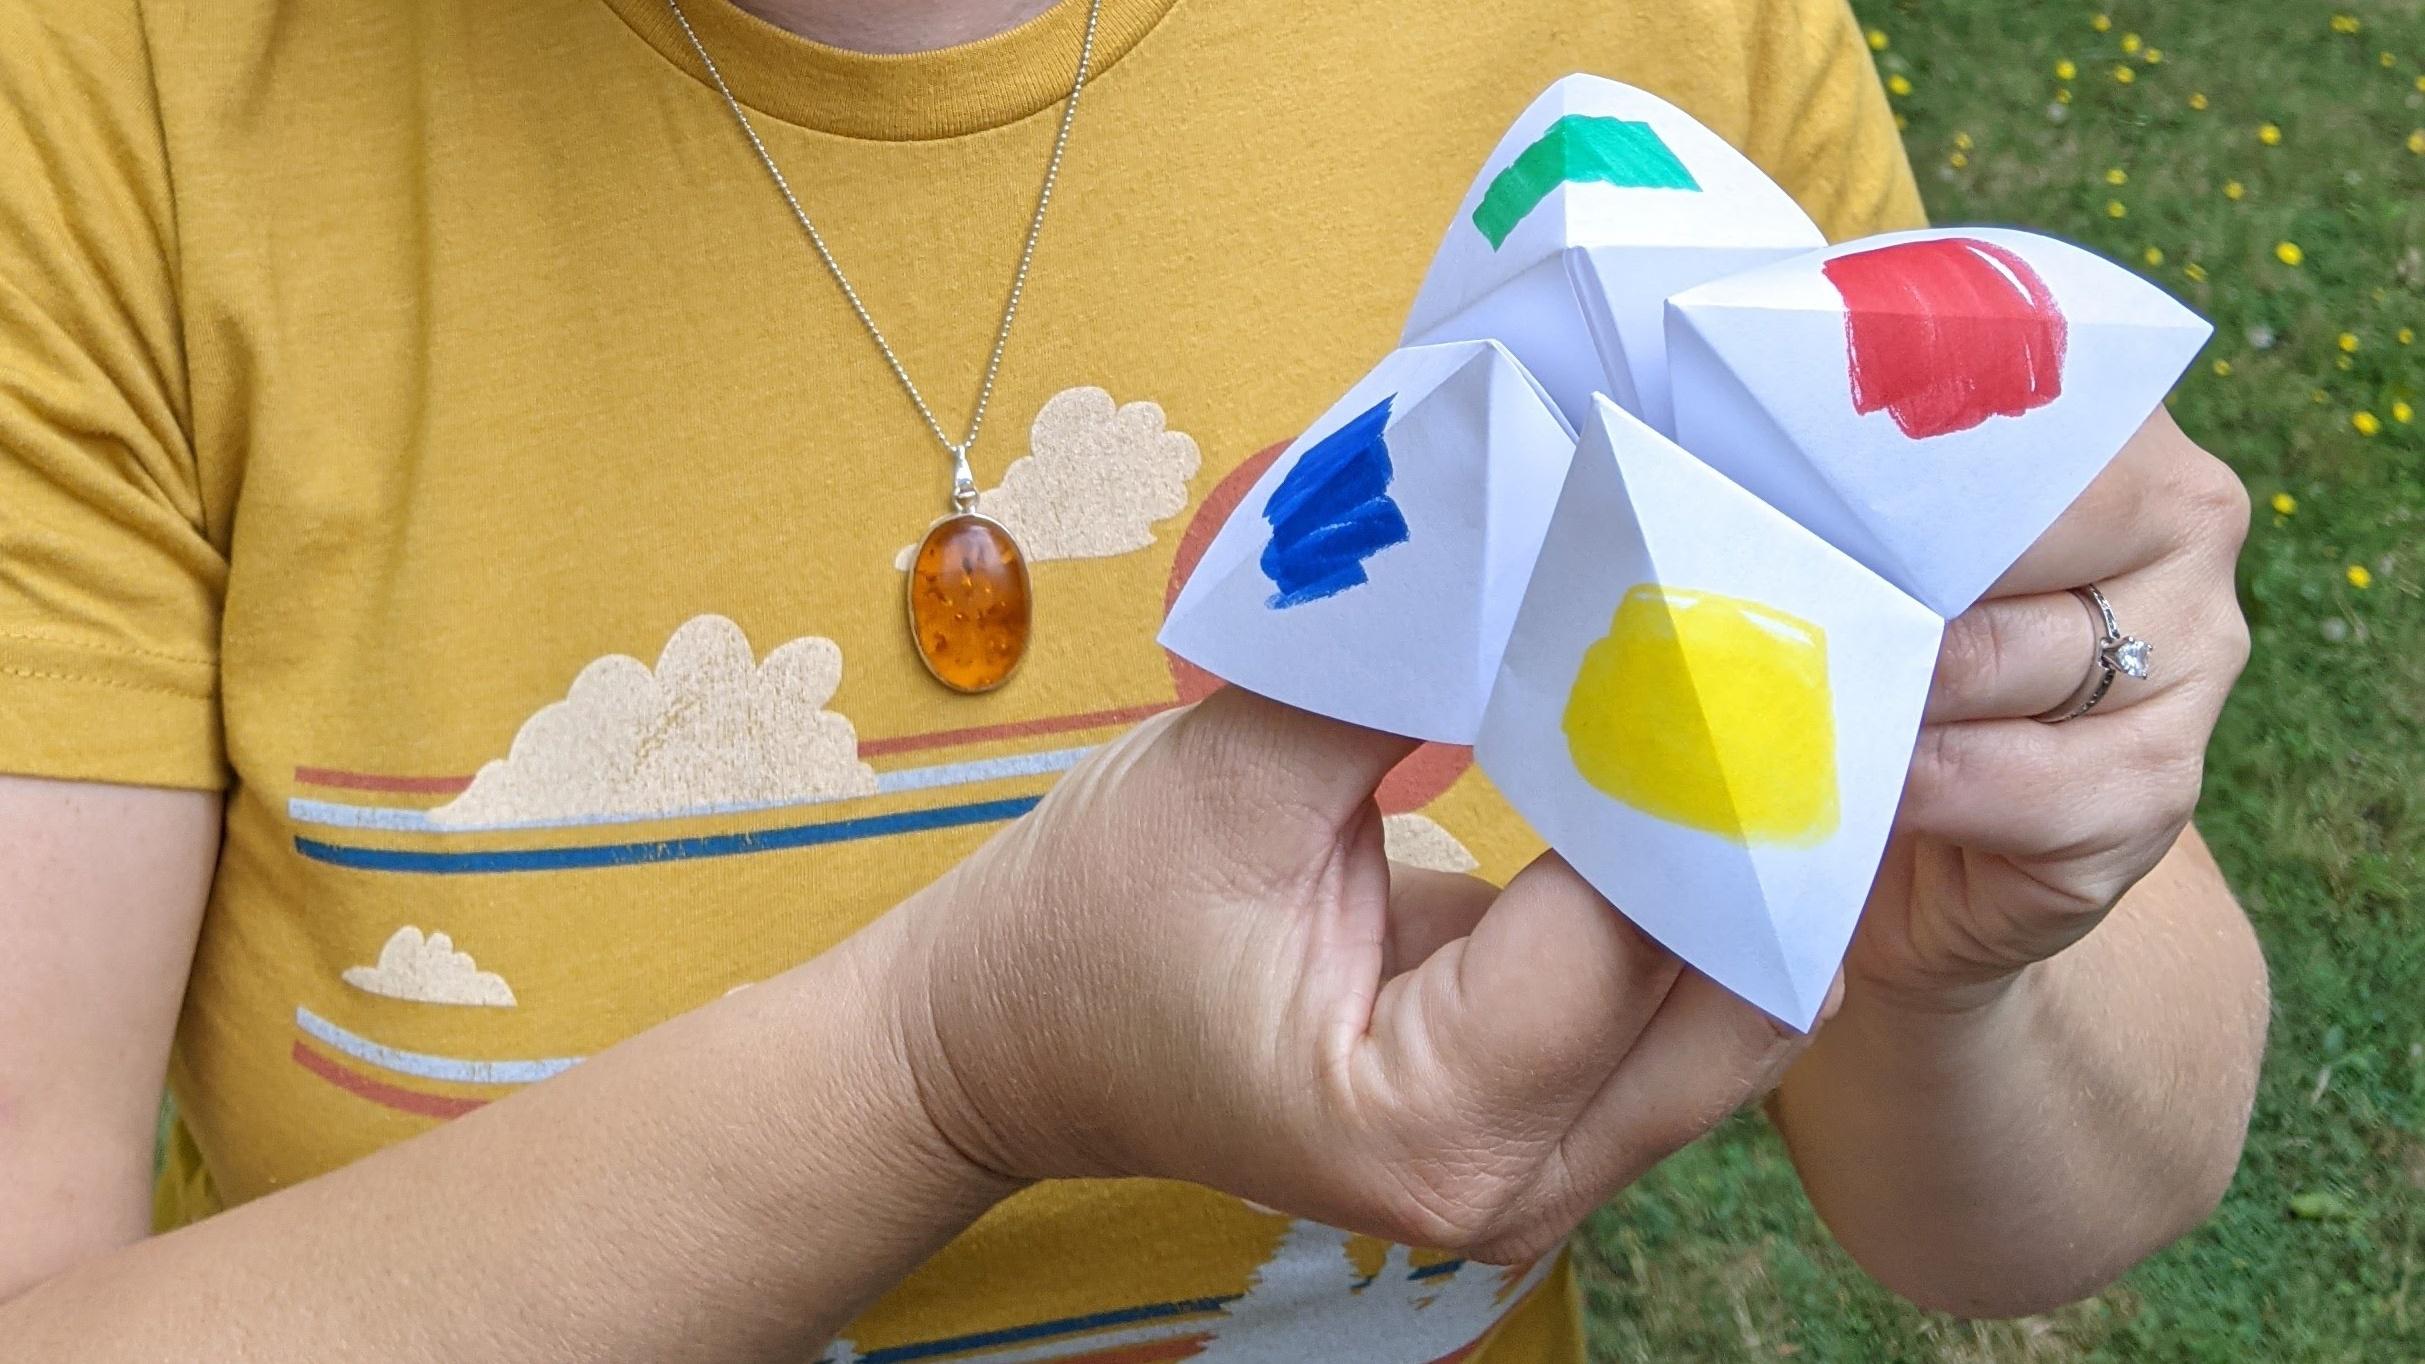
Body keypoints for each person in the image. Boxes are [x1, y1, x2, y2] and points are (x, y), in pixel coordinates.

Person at [0, 0, 2270, 1358]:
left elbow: (2053, 1203)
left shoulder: (1618, 62)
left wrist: (1960, 948)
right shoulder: (111, 105)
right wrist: (940, 1069)